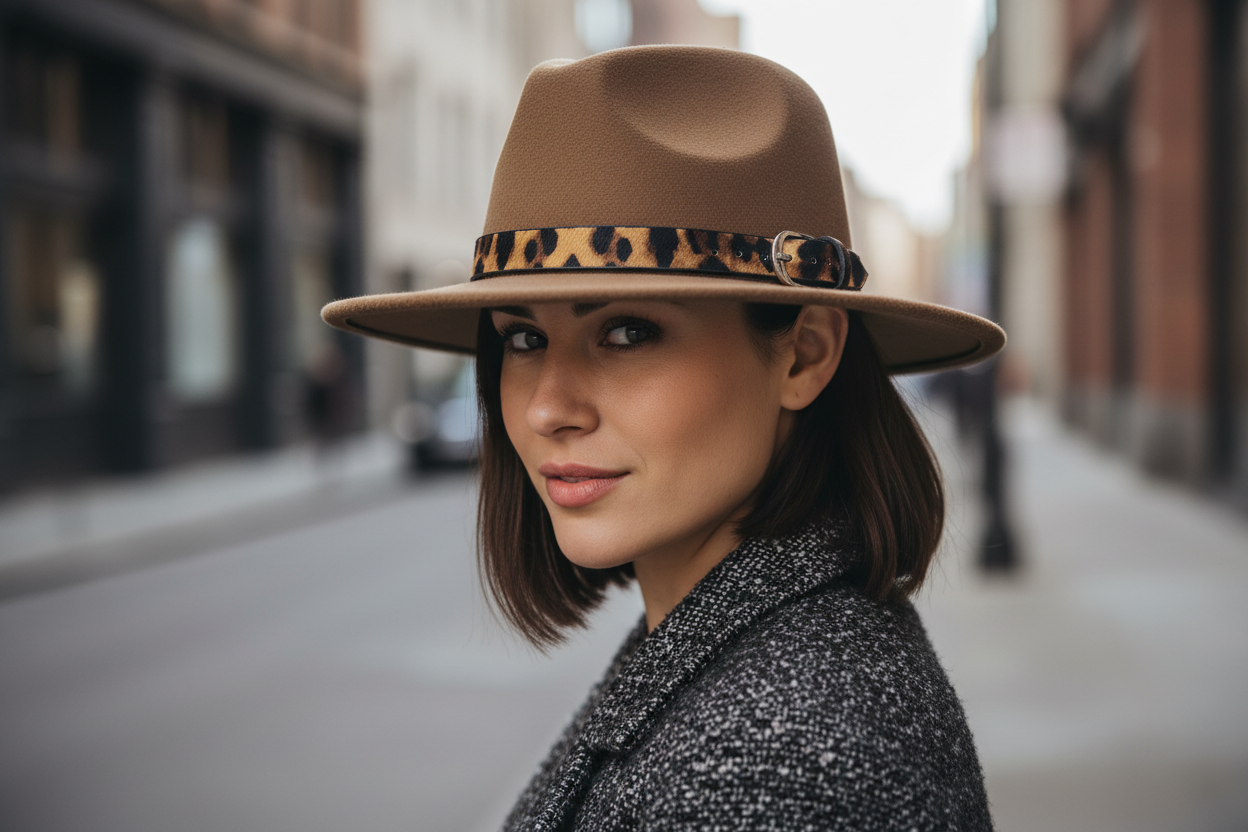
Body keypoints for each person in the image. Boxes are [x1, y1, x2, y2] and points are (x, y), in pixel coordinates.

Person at [324, 45, 1003, 831]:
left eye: (627, 332)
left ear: (805, 353)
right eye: (520, 339)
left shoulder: (771, 770)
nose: (548, 408)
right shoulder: (764, 649)